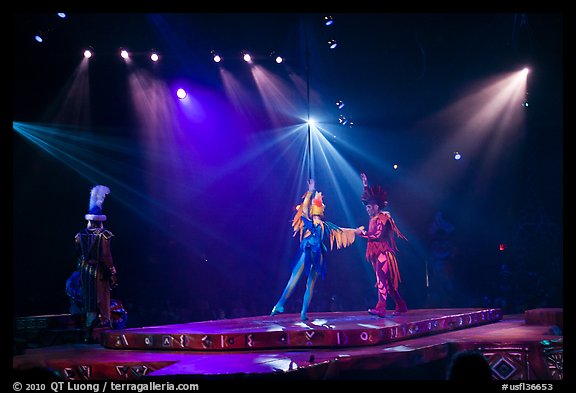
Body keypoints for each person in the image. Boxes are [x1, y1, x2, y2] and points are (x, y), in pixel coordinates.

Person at [271, 179, 357, 321]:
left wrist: (356, 231)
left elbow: (340, 230)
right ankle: (299, 311)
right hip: (314, 254)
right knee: (307, 284)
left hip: (311, 254)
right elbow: (341, 229)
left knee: (298, 281)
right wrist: (356, 231)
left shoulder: (318, 223)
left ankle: (285, 306)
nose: (322, 206)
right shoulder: (315, 223)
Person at [355, 173, 408, 317]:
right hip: (377, 253)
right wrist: (365, 185)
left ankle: (381, 307)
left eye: (370, 207)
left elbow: (377, 235)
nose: (367, 209)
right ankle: (401, 305)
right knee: (389, 284)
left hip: (384, 254)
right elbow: (366, 200)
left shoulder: (383, 218)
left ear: (376, 207)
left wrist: (361, 234)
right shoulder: (374, 217)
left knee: (381, 279)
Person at [73, 185, 118, 336]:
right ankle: (105, 327)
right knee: (103, 297)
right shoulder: (104, 234)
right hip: (99, 270)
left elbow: (77, 252)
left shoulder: (79, 235)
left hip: (85, 269)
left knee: (88, 298)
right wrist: (112, 271)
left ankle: (88, 331)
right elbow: (106, 255)